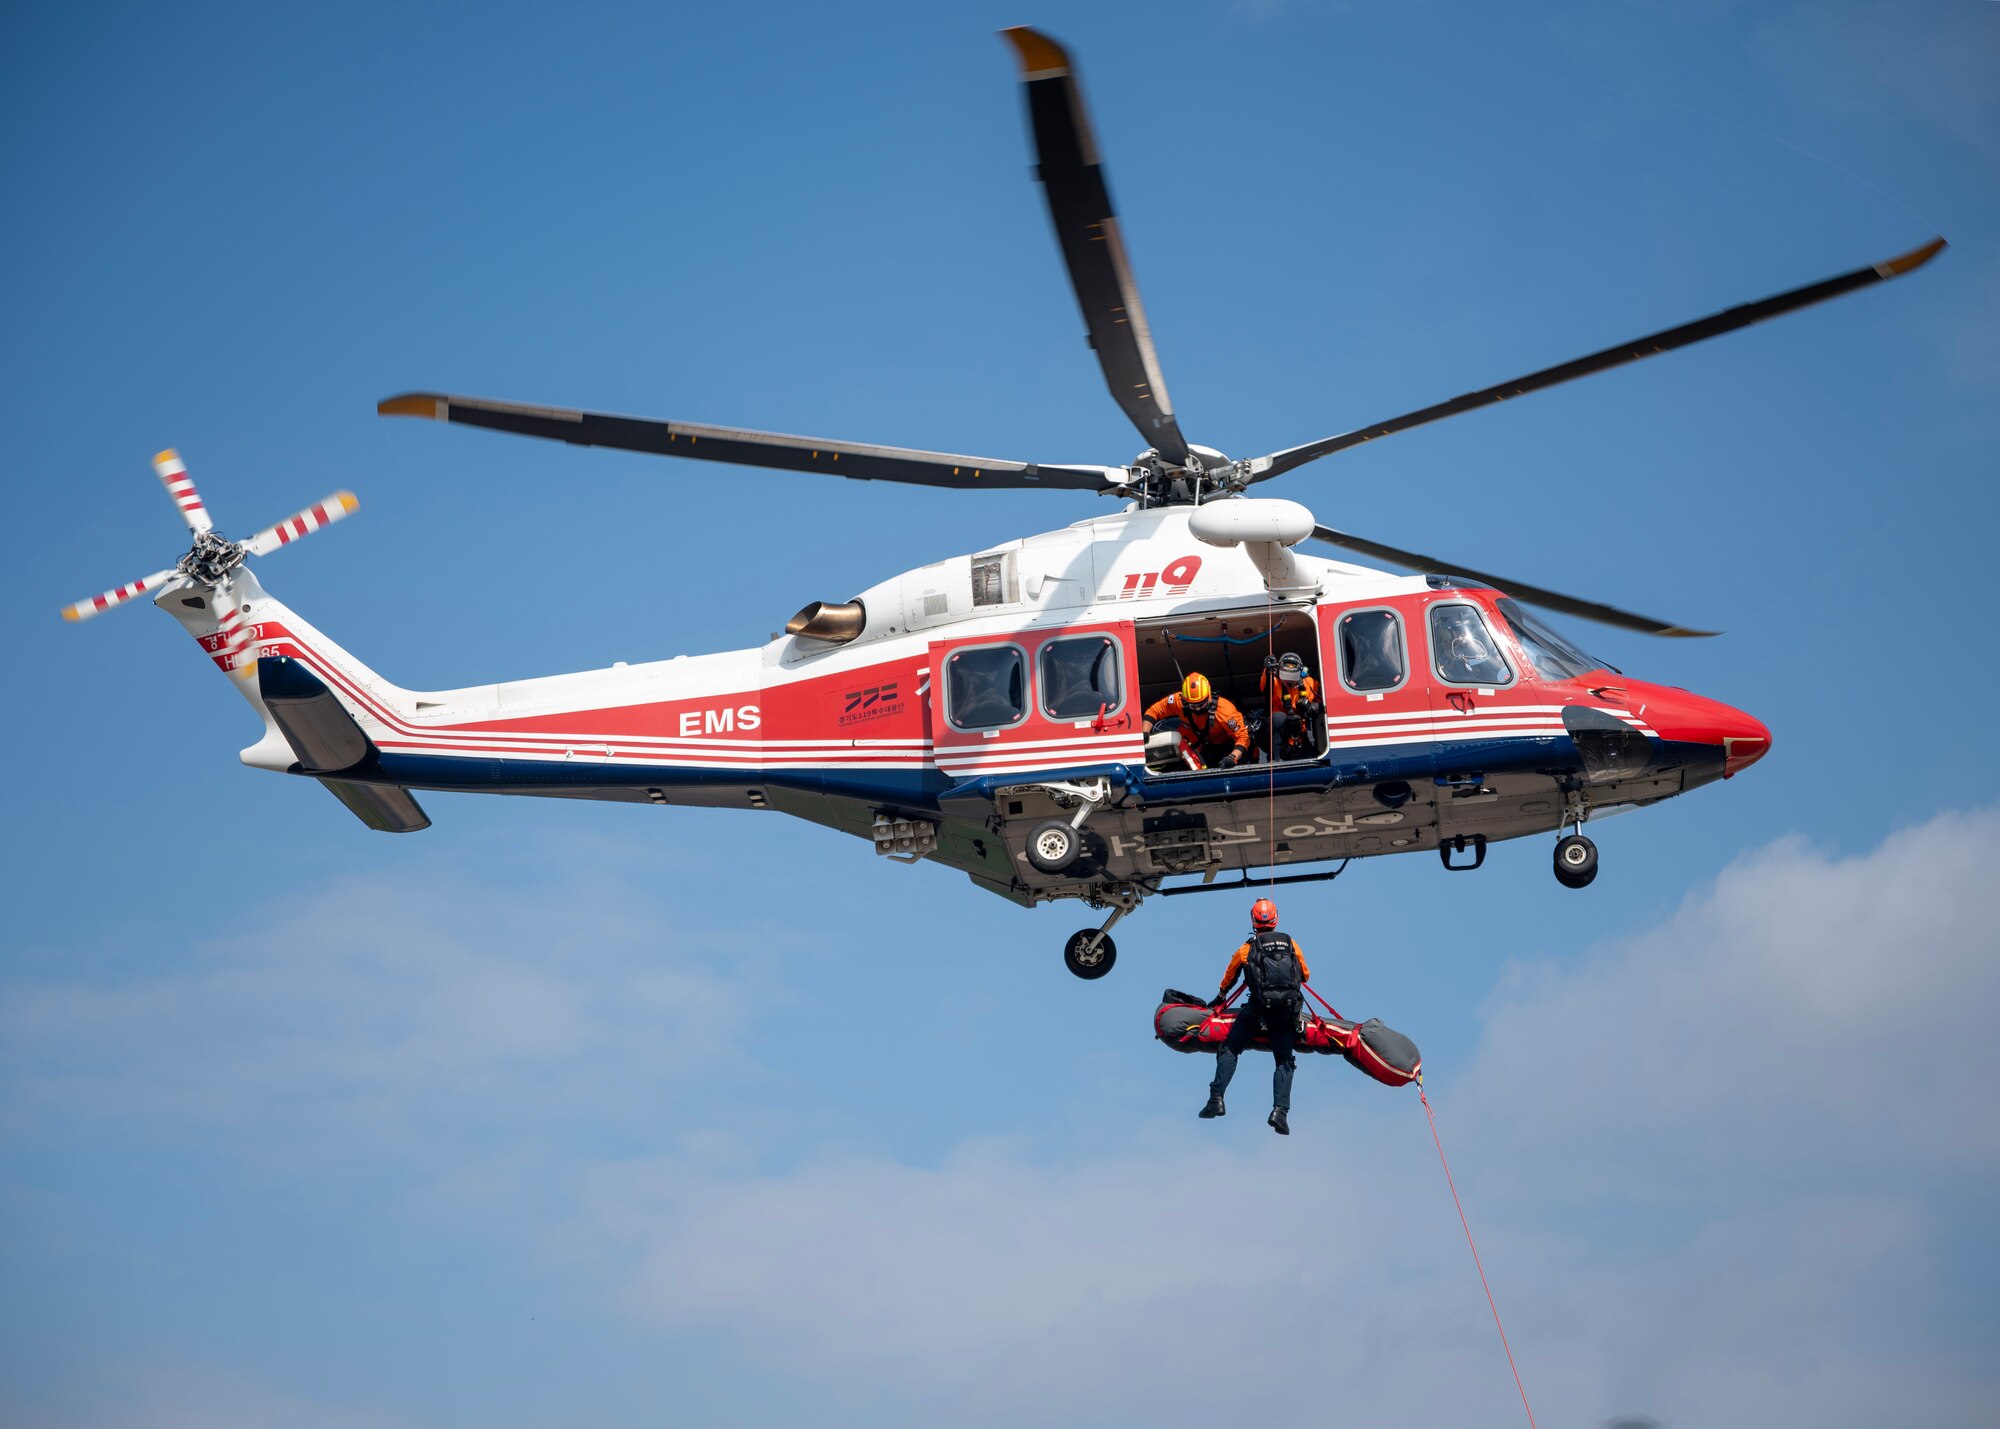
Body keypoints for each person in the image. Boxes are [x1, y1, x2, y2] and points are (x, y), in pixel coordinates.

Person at [1199, 898, 1309, 1135]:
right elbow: (1306, 974)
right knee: (1284, 1061)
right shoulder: (1291, 943)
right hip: (1285, 1013)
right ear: (1276, 919)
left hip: (1258, 1011)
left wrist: (1221, 996)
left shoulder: (1247, 948)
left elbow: (1229, 977)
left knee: (1230, 1049)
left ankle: (1216, 1100)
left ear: (1253, 921)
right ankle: (1280, 1112)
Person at [1143, 672, 1251, 770]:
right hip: (1200, 746)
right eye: (1193, 705)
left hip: (1227, 746)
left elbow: (1243, 737)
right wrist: (1145, 731)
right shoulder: (1177, 702)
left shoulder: (1225, 711)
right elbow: (1154, 711)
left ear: (1208, 697)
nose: (1198, 708)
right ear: (1185, 700)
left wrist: (1232, 757)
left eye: (1201, 704)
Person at [1256, 652, 1322, 761]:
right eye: (1285, 676)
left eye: (1293, 676)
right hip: (1273, 732)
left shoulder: (1310, 683)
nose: (1288, 680)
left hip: (1298, 735)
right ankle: (1274, 760)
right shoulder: (1272, 680)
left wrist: (1314, 707)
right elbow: (1266, 683)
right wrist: (1268, 670)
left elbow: (1326, 704)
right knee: (1279, 718)